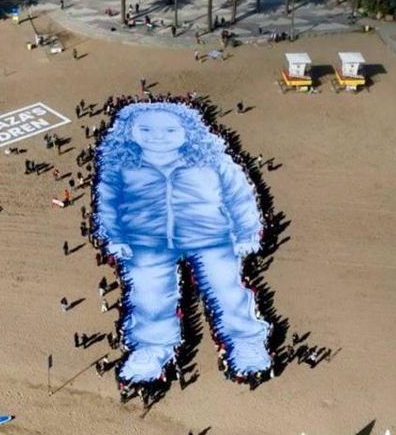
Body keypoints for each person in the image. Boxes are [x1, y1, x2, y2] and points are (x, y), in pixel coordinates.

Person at [94, 102, 270, 383]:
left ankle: (246, 341)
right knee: (149, 294)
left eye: (170, 129)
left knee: (227, 288)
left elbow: (239, 194)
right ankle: (151, 348)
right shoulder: (120, 166)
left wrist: (246, 231)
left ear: (189, 132)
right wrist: (114, 236)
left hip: (211, 235)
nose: (158, 135)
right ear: (129, 132)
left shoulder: (212, 160)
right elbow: (108, 204)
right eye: (146, 129)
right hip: (146, 239)